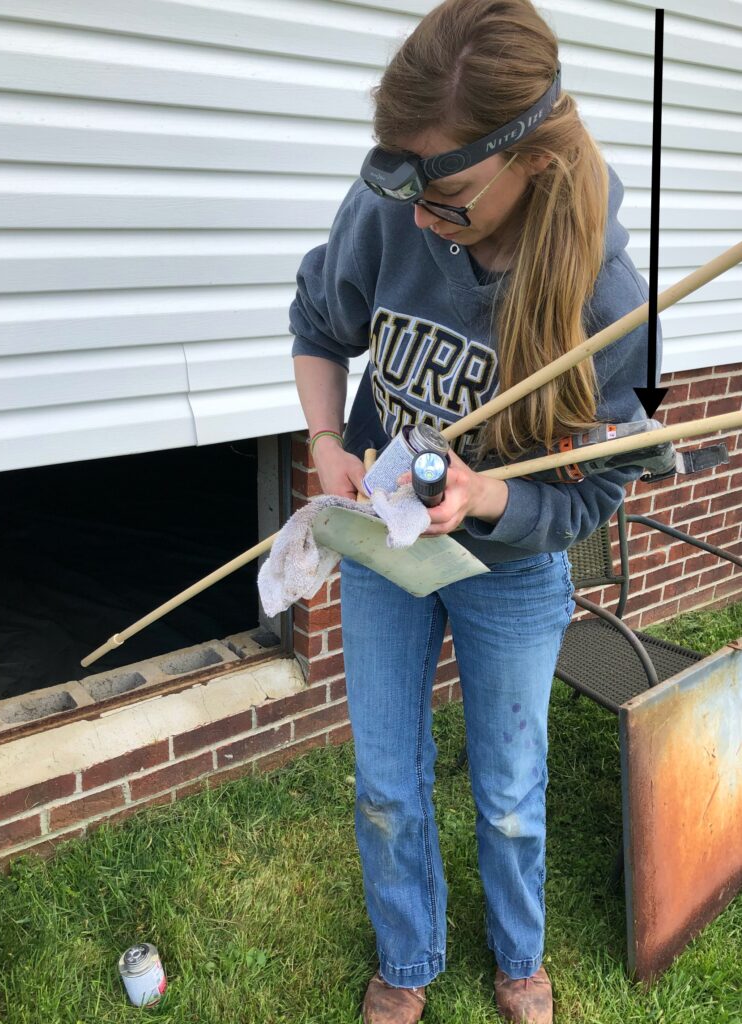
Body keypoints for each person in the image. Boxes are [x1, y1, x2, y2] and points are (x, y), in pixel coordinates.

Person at [290, 1, 657, 1020]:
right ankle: (407, 959)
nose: (414, 214)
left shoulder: (606, 295)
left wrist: (491, 495)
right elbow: (318, 323)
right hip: (385, 544)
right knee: (385, 783)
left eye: (444, 194)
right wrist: (326, 444)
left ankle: (518, 955)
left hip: (512, 572)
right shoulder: (393, 202)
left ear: (529, 162)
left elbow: (603, 480)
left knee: (505, 796)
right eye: (400, 178)